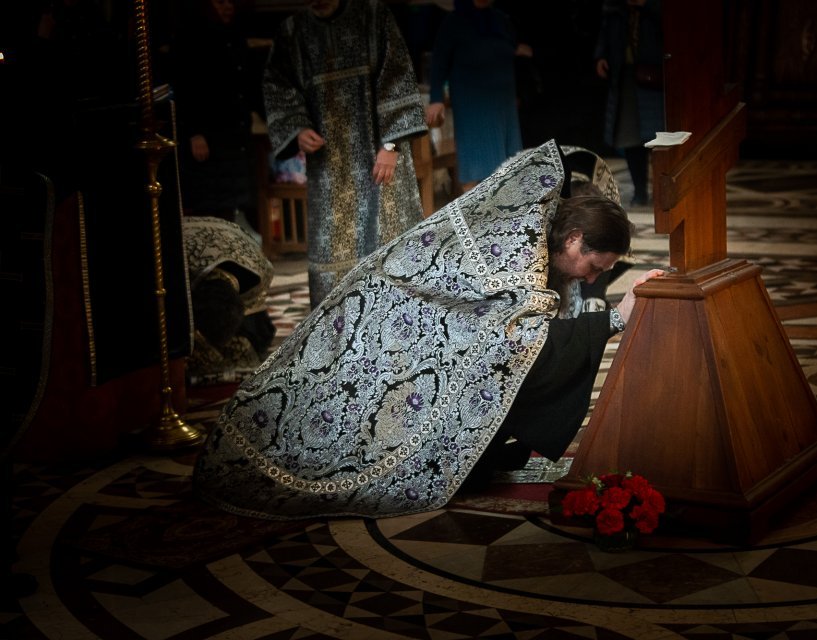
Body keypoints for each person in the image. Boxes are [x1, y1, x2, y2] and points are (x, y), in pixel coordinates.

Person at [193, 140, 665, 520]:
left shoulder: (538, 231)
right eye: (593, 266)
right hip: (384, 317)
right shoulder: (519, 252)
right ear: (574, 238)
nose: (590, 278)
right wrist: (613, 319)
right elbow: (520, 346)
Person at [263, 0, 428, 308]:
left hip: (380, 159)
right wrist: (297, 127)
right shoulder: (293, 32)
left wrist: (391, 146)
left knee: (389, 243)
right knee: (333, 253)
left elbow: (398, 79)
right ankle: (338, 332)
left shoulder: (374, 16)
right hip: (329, 167)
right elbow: (278, 86)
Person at [171, 0, 264, 239]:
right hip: (208, 135)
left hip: (235, 132)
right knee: (211, 203)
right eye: (220, 1)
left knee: (236, 199)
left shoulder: (235, 35)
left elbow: (247, 85)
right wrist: (194, 133)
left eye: (231, 1)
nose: (227, 6)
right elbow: (185, 88)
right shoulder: (191, 36)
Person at [425, 0, 526, 192]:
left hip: (503, 99)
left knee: (511, 159)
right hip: (471, 101)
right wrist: (436, 98)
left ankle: (509, 203)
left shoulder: (501, 20)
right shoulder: (454, 22)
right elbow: (439, 61)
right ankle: (475, 206)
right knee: (475, 160)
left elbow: (513, 50)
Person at [182, 216, 277, 384]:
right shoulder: (177, 272)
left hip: (233, 238)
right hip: (186, 232)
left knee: (254, 338)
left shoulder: (260, 270)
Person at [594, 0, 664, 207]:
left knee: (661, 139)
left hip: (657, 75)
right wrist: (601, 55)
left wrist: (647, 5)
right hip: (626, 75)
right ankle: (640, 190)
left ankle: (664, 191)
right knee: (631, 137)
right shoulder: (616, 8)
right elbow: (606, 28)